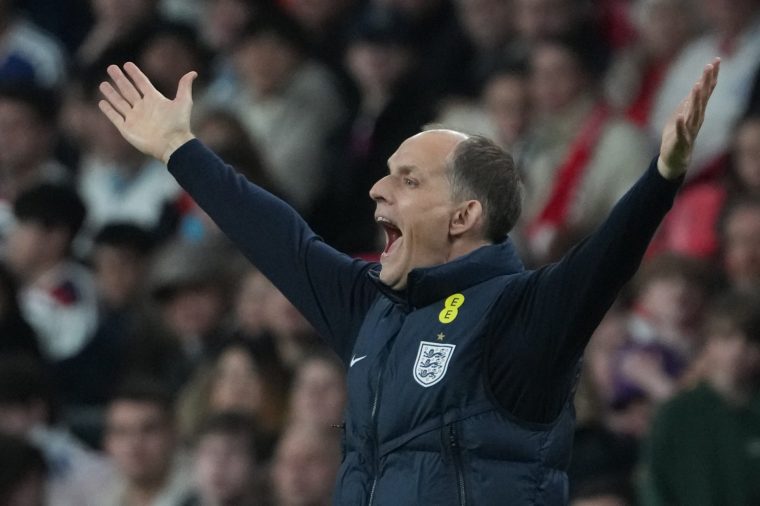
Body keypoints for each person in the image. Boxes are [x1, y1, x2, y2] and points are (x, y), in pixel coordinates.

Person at [97, 56, 719, 504]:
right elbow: (280, 239)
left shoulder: (520, 314)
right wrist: (181, 147)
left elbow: (602, 262)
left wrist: (661, 179)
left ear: (464, 216)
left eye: (408, 179)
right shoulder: (371, 310)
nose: (377, 187)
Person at [639, 291, 760, 505]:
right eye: (727, 337)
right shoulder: (677, 413)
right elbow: (654, 483)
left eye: (750, 340)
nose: (738, 350)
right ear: (709, 342)